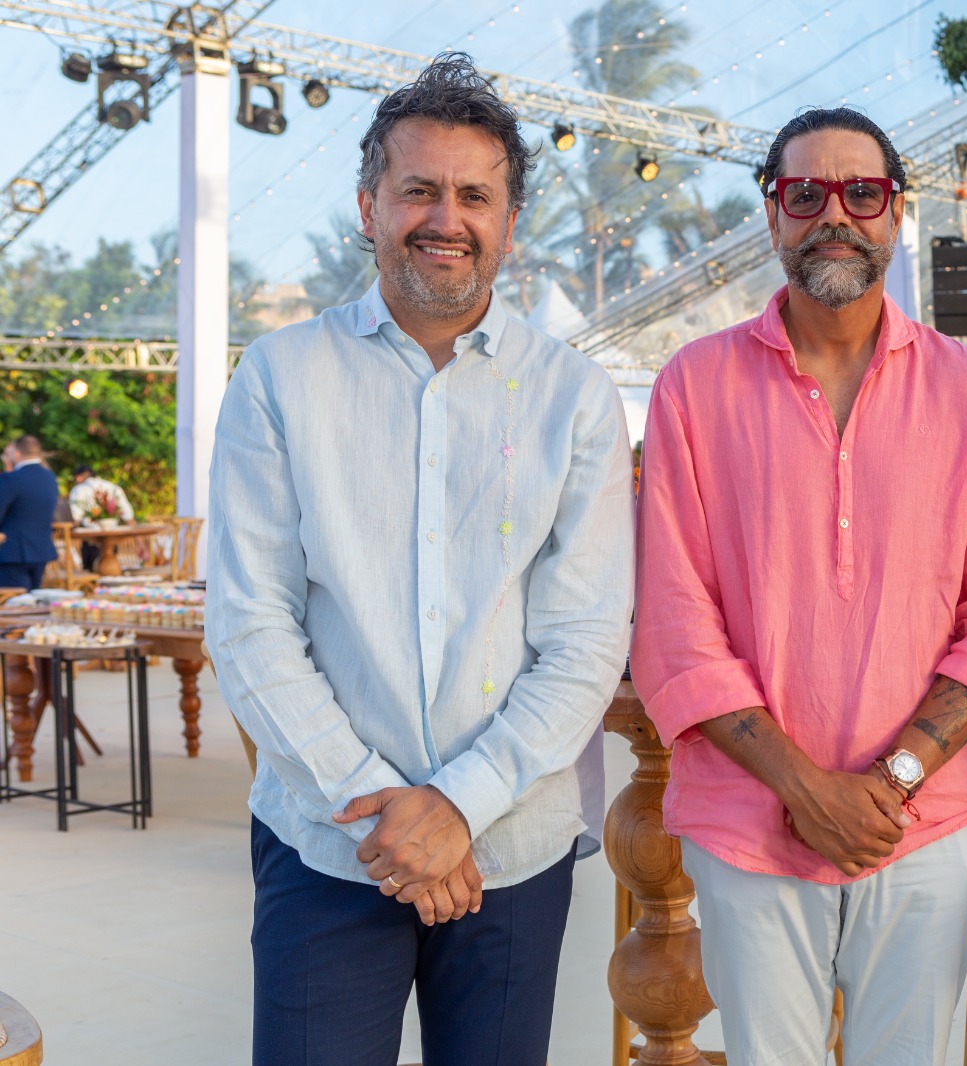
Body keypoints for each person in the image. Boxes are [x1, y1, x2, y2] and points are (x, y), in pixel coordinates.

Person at [206, 54, 634, 1066]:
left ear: (510, 223)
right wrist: (388, 813)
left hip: (512, 846)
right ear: (369, 207)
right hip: (327, 841)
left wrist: (458, 806)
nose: (447, 218)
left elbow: (583, 640)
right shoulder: (279, 377)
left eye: (474, 195)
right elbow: (251, 622)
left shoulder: (574, 398)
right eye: (419, 190)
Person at [630, 107, 967, 1065]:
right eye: (805, 193)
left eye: (862, 192)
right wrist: (804, 789)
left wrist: (889, 784)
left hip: (924, 820)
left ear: (897, 210)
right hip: (748, 819)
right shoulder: (694, 386)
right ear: (773, 212)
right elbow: (675, 627)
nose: (835, 216)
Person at [0, 436, 60, 591]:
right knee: (32, 599)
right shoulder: (50, 477)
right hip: (40, 550)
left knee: (12, 602)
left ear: (17, 453)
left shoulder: (11, 479)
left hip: (12, 551)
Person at [67, 464, 134, 571]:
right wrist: (140, 545)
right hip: (112, 539)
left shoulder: (78, 490)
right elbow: (128, 517)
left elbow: (75, 518)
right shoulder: (113, 487)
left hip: (91, 539)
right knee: (110, 569)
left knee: (91, 572)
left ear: (79, 477)